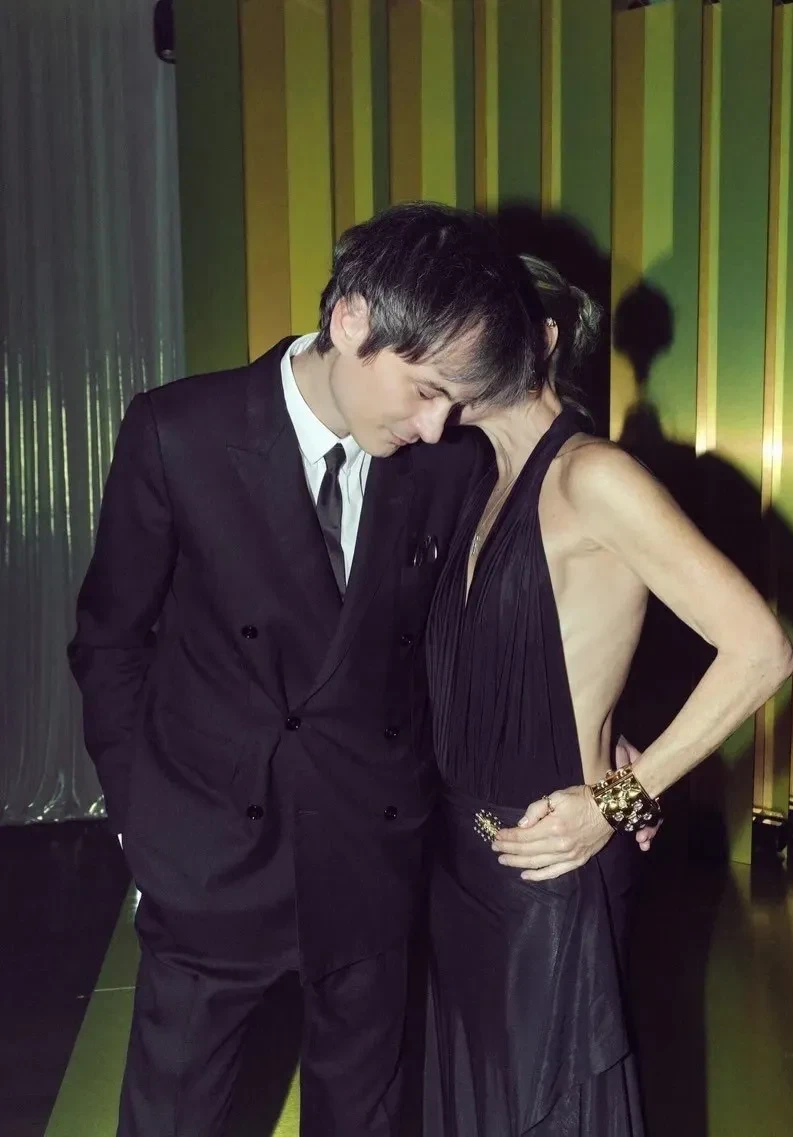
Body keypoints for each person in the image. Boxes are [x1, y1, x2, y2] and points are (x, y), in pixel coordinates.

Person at [67, 202, 554, 1137]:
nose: (436, 424)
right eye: (424, 389)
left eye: (454, 401)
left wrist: (600, 746)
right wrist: (143, 817)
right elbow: (110, 640)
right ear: (352, 319)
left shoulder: (446, 466)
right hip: (211, 855)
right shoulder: (179, 430)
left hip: (369, 852)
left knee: (362, 1118)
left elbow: (471, 647)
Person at [421, 255, 793, 1135]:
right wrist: (610, 725)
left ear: (544, 339)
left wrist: (619, 795)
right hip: (462, 865)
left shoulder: (592, 476)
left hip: (553, 872)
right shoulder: (480, 479)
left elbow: (761, 650)